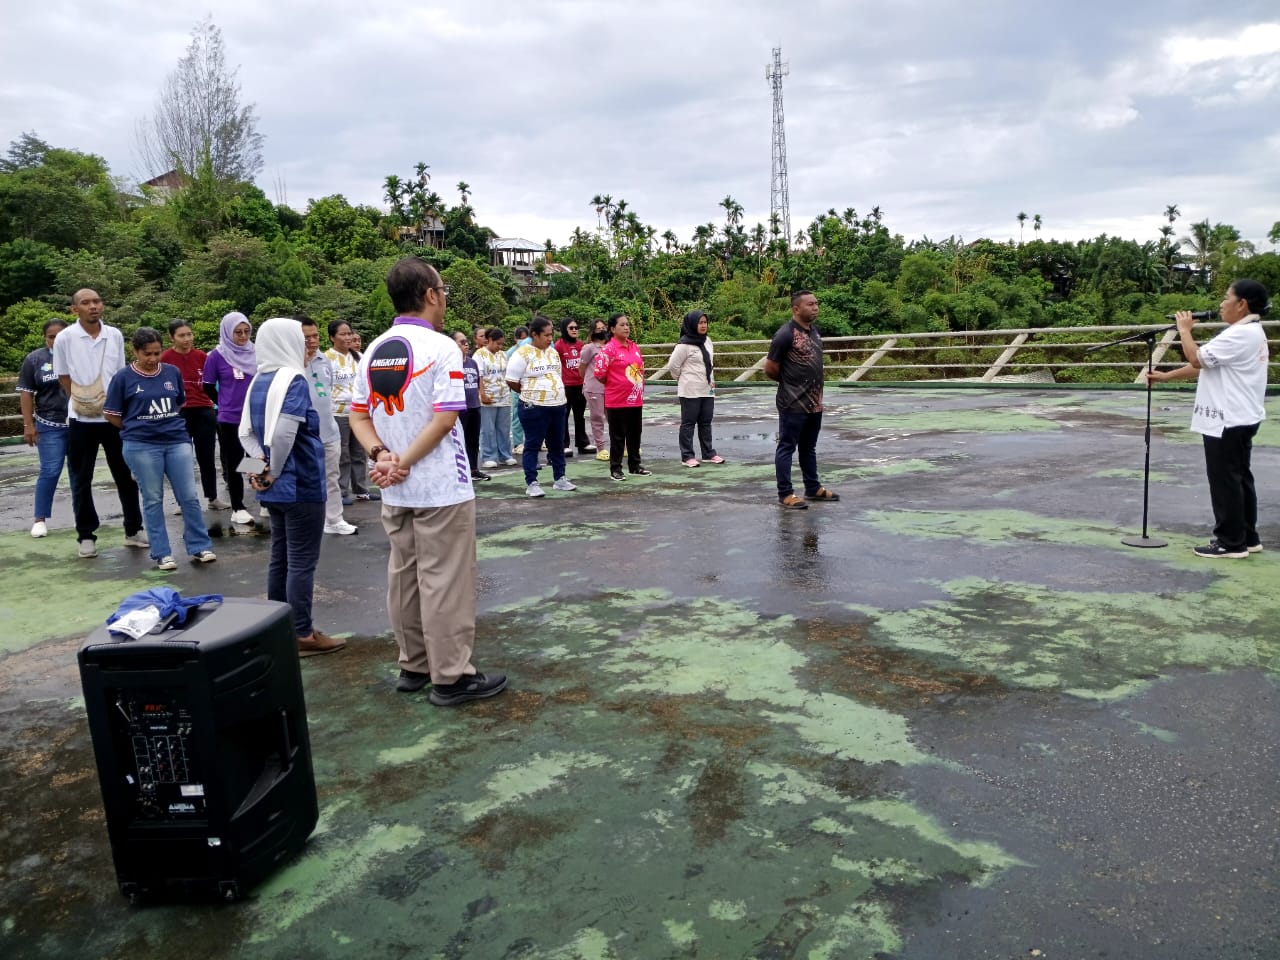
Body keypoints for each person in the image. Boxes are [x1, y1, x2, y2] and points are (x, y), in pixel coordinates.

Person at [348, 257, 506, 705]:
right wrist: (405, 461)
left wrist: (382, 456)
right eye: (443, 290)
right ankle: (451, 676)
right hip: (439, 486)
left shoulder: (374, 349)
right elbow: (445, 417)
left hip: (394, 487)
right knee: (445, 581)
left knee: (405, 576)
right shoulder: (441, 348)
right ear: (431, 295)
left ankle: (413, 664)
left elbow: (359, 415)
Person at [239, 318, 345, 657]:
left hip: (273, 487)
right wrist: (274, 469)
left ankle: (279, 627)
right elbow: (285, 432)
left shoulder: (259, 379)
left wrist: (260, 467)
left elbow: (245, 433)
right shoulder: (293, 379)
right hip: (300, 481)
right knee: (301, 561)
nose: (304, 344)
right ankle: (302, 633)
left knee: (280, 557)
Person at [1145, 279, 1270, 558]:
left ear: (1242, 304)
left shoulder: (1239, 334)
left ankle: (1230, 542)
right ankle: (1248, 538)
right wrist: (1167, 376)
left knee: (1225, 481)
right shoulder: (1249, 332)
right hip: (1241, 416)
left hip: (1227, 419)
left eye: (1226, 298)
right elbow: (1206, 363)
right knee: (1239, 478)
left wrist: (1184, 330)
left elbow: (1196, 358)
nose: (1221, 304)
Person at [103, 327, 217, 570]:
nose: (153, 359)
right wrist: (135, 428)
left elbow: (179, 403)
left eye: (157, 353)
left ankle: (199, 546)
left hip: (176, 440)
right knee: (153, 498)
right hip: (141, 445)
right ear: (135, 351)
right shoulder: (123, 378)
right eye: (147, 354)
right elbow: (111, 414)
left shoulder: (171, 372)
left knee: (189, 496)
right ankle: (162, 552)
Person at [53, 289, 146, 558]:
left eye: (96, 301)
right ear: (74, 309)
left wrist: (117, 408)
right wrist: (81, 400)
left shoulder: (114, 335)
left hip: (113, 417)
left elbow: (120, 376)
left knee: (126, 475)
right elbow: (63, 375)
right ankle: (86, 535)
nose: (93, 306)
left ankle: (133, 529)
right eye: (86, 303)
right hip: (80, 419)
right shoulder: (65, 338)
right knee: (81, 478)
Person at [766, 291, 839, 509]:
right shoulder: (785, 334)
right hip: (792, 402)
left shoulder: (814, 331)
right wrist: (790, 383)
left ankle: (813, 488)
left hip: (814, 402)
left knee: (808, 447)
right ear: (796, 309)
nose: (815, 307)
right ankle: (785, 493)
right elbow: (770, 368)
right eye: (810, 304)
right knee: (787, 447)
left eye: (816, 303)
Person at [507, 316, 577, 498]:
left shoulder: (553, 353)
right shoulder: (522, 354)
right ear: (534, 335)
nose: (549, 338)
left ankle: (560, 478)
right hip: (534, 407)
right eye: (546, 335)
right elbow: (511, 380)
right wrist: (531, 392)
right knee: (533, 444)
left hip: (557, 405)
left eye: (551, 335)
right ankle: (532, 482)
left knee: (557, 444)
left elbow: (557, 375)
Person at [301, 317, 357, 536]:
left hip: (328, 429)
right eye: (306, 337)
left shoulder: (324, 360)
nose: (312, 341)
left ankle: (334, 519)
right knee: (305, 478)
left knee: (332, 476)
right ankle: (307, 521)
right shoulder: (289, 363)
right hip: (303, 432)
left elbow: (327, 391)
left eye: (315, 336)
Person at [162, 319, 226, 510]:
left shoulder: (202, 357)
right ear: (172, 337)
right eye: (181, 335)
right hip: (179, 413)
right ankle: (183, 501)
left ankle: (212, 498)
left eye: (189, 334)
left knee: (207, 457)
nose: (186, 339)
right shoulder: (165, 358)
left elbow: (213, 383)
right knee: (181, 458)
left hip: (204, 410)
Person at [203, 312, 258, 525]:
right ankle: (238, 506)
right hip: (230, 418)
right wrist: (223, 403)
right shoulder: (217, 356)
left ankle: (261, 498)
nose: (243, 336)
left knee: (255, 457)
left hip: (254, 415)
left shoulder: (256, 352)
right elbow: (208, 386)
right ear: (227, 332)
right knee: (235, 461)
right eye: (238, 332)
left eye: (246, 331)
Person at [18, 318, 69, 538]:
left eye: (60, 336)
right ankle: (40, 519)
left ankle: (84, 518)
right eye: (51, 337)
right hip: (49, 423)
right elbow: (26, 393)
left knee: (79, 472)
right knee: (50, 470)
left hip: (79, 422)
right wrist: (28, 425)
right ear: (45, 338)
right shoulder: (34, 359)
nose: (56, 340)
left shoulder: (78, 355)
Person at [594, 313, 650, 481]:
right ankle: (616, 468)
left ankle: (635, 465)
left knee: (635, 434)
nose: (626, 327)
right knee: (618, 437)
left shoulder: (634, 346)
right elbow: (599, 374)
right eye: (622, 325)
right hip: (617, 400)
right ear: (612, 329)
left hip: (635, 399)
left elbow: (640, 369)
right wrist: (616, 384)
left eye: (627, 324)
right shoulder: (608, 349)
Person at [324, 319, 374, 506]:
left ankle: (361, 490)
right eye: (342, 334)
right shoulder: (326, 358)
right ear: (332, 337)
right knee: (343, 454)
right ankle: (342, 491)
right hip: (338, 413)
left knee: (359, 452)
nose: (348, 337)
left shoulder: (359, 356)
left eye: (349, 333)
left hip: (358, 413)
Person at [668, 309, 726, 468]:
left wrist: (711, 381)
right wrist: (682, 379)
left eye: (705, 322)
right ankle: (687, 456)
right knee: (688, 423)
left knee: (706, 422)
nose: (703, 325)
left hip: (707, 388)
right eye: (700, 323)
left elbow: (709, 364)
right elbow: (673, 366)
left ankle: (708, 453)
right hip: (690, 389)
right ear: (692, 324)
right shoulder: (684, 345)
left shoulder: (707, 340)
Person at [474, 327, 515, 469]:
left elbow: (508, 374)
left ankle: (505, 455)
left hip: (504, 396)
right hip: (488, 397)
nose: (500, 347)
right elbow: (478, 376)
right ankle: (489, 456)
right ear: (490, 340)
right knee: (488, 429)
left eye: (502, 344)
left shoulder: (503, 355)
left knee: (504, 428)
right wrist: (482, 394)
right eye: (498, 343)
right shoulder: (479, 355)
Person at [453, 330, 489, 481]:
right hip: (460, 408)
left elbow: (477, 382)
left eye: (467, 342)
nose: (466, 344)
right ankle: (459, 471)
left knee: (473, 440)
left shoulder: (472, 362)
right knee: (459, 441)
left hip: (474, 405)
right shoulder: (451, 363)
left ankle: (473, 469)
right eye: (462, 342)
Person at [555, 317, 593, 456]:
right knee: (563, 416)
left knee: (580, 415)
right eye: (571, 328)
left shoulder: (580, 345)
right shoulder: (558, 346)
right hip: (565, 386)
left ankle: (582, 443)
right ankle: (563, 444)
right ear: (564, 329)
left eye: (576, 328)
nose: (574, 330)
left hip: (579, 385)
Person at [579, 320, 609, 461]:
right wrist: (588, 381)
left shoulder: (610, 346)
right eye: (598, 328)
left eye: (604, 327)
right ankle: (600, 448)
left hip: (610, 387)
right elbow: (582, 368)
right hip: (594, 388)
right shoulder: (589, 348)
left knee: (615, 417)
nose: (602, 330)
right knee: (597, 417)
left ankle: (622, 445)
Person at [507, 324, 531, 453]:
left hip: (531, 387)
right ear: (516, 339)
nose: (524, 341)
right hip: (518, 387)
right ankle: (518, 443)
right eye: (521, 338)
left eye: (526, 338)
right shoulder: (511, 352)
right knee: (517, 416)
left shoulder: (533, 350)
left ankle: (536, 441)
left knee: (534, 415)